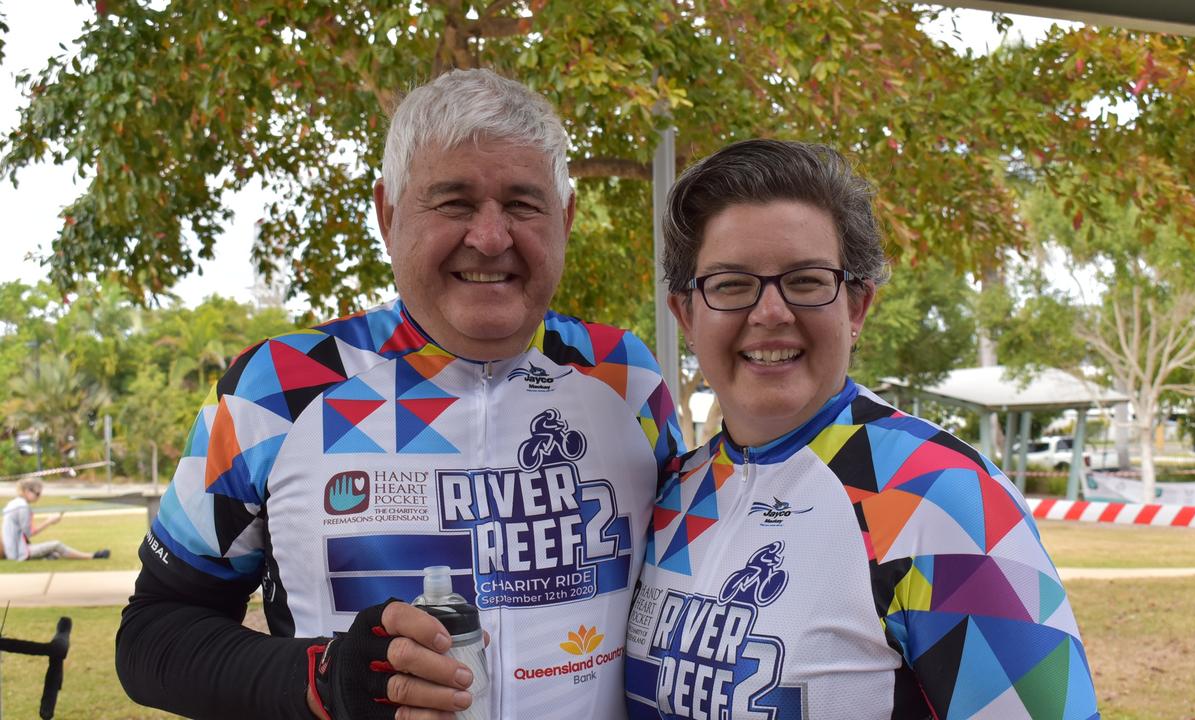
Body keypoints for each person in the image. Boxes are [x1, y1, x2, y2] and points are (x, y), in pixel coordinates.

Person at [116, 69, 682, 720]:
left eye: (524, 204)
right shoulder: (278, 388)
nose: (491, 238)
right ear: (388, 213)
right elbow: (154, 633)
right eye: (455, 202)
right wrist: (325, 680)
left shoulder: (626, 378)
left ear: (567, 218)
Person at [624, 139, 1099, 719]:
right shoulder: (673, 492)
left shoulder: (943, 496)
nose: (770, 312)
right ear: (686, 316)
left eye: (804, 280)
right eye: (730, 284)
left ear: (856, 308)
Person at [2, 478, 110, 561]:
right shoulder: (23, 507)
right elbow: (30, 533)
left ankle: (50, 557)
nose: (39, 497)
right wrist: (49, 521)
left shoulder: (13, 504)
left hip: (13, 548)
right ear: (26, 491)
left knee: (55, 552)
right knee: (56, 545)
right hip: (18, 552)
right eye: (37, 494)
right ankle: (92, 556)